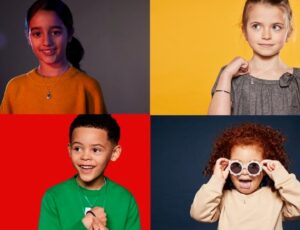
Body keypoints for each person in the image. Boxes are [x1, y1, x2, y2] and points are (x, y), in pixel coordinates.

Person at [0, 0, 106, 114]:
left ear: (69, 34)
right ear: (28, 37)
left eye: (55, 32)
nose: (47, 42)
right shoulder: (14, 88)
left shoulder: (89, 87)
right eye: (37, 34)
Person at [38, 115, 140, 230]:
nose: (85, 157)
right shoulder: (53, 196)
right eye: (77, 148)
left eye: (96, 150)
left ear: (114, 153)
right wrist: (85, 223)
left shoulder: (125, 199)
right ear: (69, 150)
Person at [190, 123, 300, 229]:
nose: (244, 172)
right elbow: (199, 214)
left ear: (264, 170)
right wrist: (217, 180)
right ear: (228, 168)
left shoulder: (276, 198)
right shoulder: (224, 199)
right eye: (236, 166)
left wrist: (283, 178)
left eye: (253, 166)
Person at [208, 0, 300, 115]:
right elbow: (217, 120)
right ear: (244, 31)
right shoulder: (228, 75)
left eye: (276, 27)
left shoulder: (298, 80)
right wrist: (226, 75)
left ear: (289, 32)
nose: (266, 36)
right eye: (256, 26)